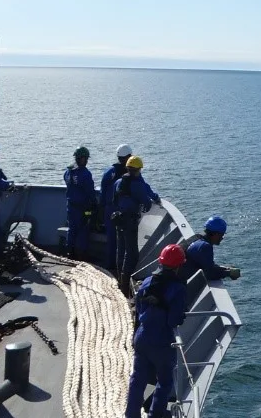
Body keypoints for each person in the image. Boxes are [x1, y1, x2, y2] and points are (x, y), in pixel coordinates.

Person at [126, 244, 187, 418]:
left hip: (142, 336)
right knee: (165, 381)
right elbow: (173, 320)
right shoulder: (178, 289)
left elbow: (138, 309)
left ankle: (131, 415)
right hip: (161, 341)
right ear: (178, 266)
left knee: (137, 380)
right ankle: (156, 414)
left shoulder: (146, 282)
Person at [112, 156, 161, 294]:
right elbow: (146, 202)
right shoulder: (137, 184)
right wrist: (153, 199)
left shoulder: (118, 182)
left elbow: (113, 201)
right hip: (130, 221)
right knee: (132, 254)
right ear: (138, 170)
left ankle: (119, 280)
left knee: (120, 250)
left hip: (118, 219)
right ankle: (125, 286)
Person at [179, 216, 242, 283]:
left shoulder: (196, 238)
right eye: (222, 235)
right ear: (216, 234)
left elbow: (207, 265)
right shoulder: (205, 247)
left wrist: (226, 269)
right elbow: (210, 274)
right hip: (176, 282)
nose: (222, 238)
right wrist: (229, 273)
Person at [101, 144, 134, 270]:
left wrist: (102, 206)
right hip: (118, 209)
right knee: (119, 240)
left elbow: (104, 190)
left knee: (114, 239)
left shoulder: (110, 171)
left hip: (112, 208)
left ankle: (113, 266)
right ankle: (115, 267)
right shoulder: (127, 172)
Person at [63, 147, 99, 259]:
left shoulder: (68, 172)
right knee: (84, 229)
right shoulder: (85, 174)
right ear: (81, 158)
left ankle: (70, 253)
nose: (87, 161)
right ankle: (82, 254)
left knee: (72, 229)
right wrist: (94, 204)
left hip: (70, 206)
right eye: (86, 158)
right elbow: (90, 192)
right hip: (83, 208)